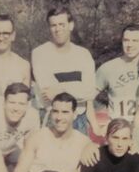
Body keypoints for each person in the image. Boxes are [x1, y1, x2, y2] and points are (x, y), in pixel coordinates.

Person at [11, 92, 89, 172]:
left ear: (75, 114)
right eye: (55, 111)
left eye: (65, 112)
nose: (59, 117)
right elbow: (20, 170)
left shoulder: (84, 142)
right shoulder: (37, 137)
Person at [31, 7, 97, 135]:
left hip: (79, 119)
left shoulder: (83, 54)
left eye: (62, 24)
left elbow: (89, 92)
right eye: (53, 25)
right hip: (52, 118)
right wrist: (77, 89)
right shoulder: (39, 54)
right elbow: (48, 92)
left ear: (71, 25)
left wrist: (60, 89)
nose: (58, 29)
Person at [95, 24, 139, 122]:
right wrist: (100, 119)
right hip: (118, 127)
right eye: (126, 40)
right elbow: (88, 98)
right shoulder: (108, 68)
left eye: (135, 41)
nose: (129, 45)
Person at [0, 82, 40, 172]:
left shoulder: (32, 116)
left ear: (28, 105)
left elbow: (30, 149)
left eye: (21, 104)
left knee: (30, 171)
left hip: (9, 153)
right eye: (12, 103)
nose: (16, 108)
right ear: (4, 103)